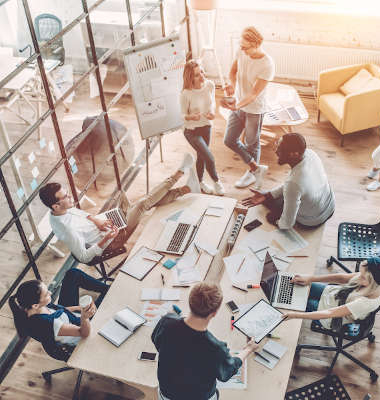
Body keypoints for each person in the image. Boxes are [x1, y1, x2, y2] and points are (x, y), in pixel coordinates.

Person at [39, 154, 198, 263]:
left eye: (67, 193)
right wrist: (107, 238)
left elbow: (81, 215)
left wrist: (97, 221)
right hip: (112, 240)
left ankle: (187, 189)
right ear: (56, 205)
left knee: (143, 202)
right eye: (66, 197)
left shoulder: (61, 209)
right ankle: (179, 174)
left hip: (104, 226)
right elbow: (84, 257)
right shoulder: (67, 229)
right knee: (142, 204)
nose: (70, 196)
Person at [151, 282, 258, 400]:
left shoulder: (166, 323)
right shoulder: (215, 349)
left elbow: (156, 340)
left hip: (167, 394)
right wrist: (249, 348)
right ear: (214, 313)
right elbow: (228, 371)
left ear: (190, 302)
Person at [242, 133, 335, 230]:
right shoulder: (310, 154)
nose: (276, 151)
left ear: (294, 154)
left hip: (312, 221)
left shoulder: (294, 183)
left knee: (271, 216)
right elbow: (295, 186)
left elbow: (287, 224)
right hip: (329, 205)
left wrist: (276, 221)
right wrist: (268, 195)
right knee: (271, 199)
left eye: (280, 149)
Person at [221, 26, 275, 189]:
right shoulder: (241, 52)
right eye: (241, 46)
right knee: (229, 140)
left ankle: (252, 173)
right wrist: (232, 85)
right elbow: (232, 72)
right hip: (239, 104)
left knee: (252, 143)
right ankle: (257, 169)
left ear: (256, 44)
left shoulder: (267, 64)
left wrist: (236, 106)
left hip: (255, 109)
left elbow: (253, 94)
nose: (242, 50)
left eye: (245, 47)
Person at [9, 268, 108, 353]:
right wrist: (85, 317)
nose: (50, 293)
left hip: (69, 317)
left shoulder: (33, 309)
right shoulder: (50, 324)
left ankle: (107, 289)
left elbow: (60, 310)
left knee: (73, 274)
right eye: (46, 294)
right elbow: (84, 333)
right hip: (82, 329)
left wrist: (78, 308)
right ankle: (108, 290)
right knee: (107, 296)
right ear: (35, 305)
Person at [282, 258, 380, 331]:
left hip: (332, 316)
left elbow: (329, 313)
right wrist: (311, 278)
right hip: (335, 295)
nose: (358, 277)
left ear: (372, 282)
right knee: (297, 286)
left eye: (362, 277)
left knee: (293, 302)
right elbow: (342, 278)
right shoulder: (376, 279)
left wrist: (295, 315)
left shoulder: (365, 303)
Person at [181, 60, 225, 196]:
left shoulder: (210, 85)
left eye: (201, 71)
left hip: (206, 126)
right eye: (196, 75)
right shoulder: (186, 93)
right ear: (190, 78)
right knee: (209, 157)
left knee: (201, 156)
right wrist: (191, 117)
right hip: (191, 130)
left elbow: (212, 103)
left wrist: (212, 112)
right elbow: (181, 115)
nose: (202, 76)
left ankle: (199, 183)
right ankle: (217, 182)